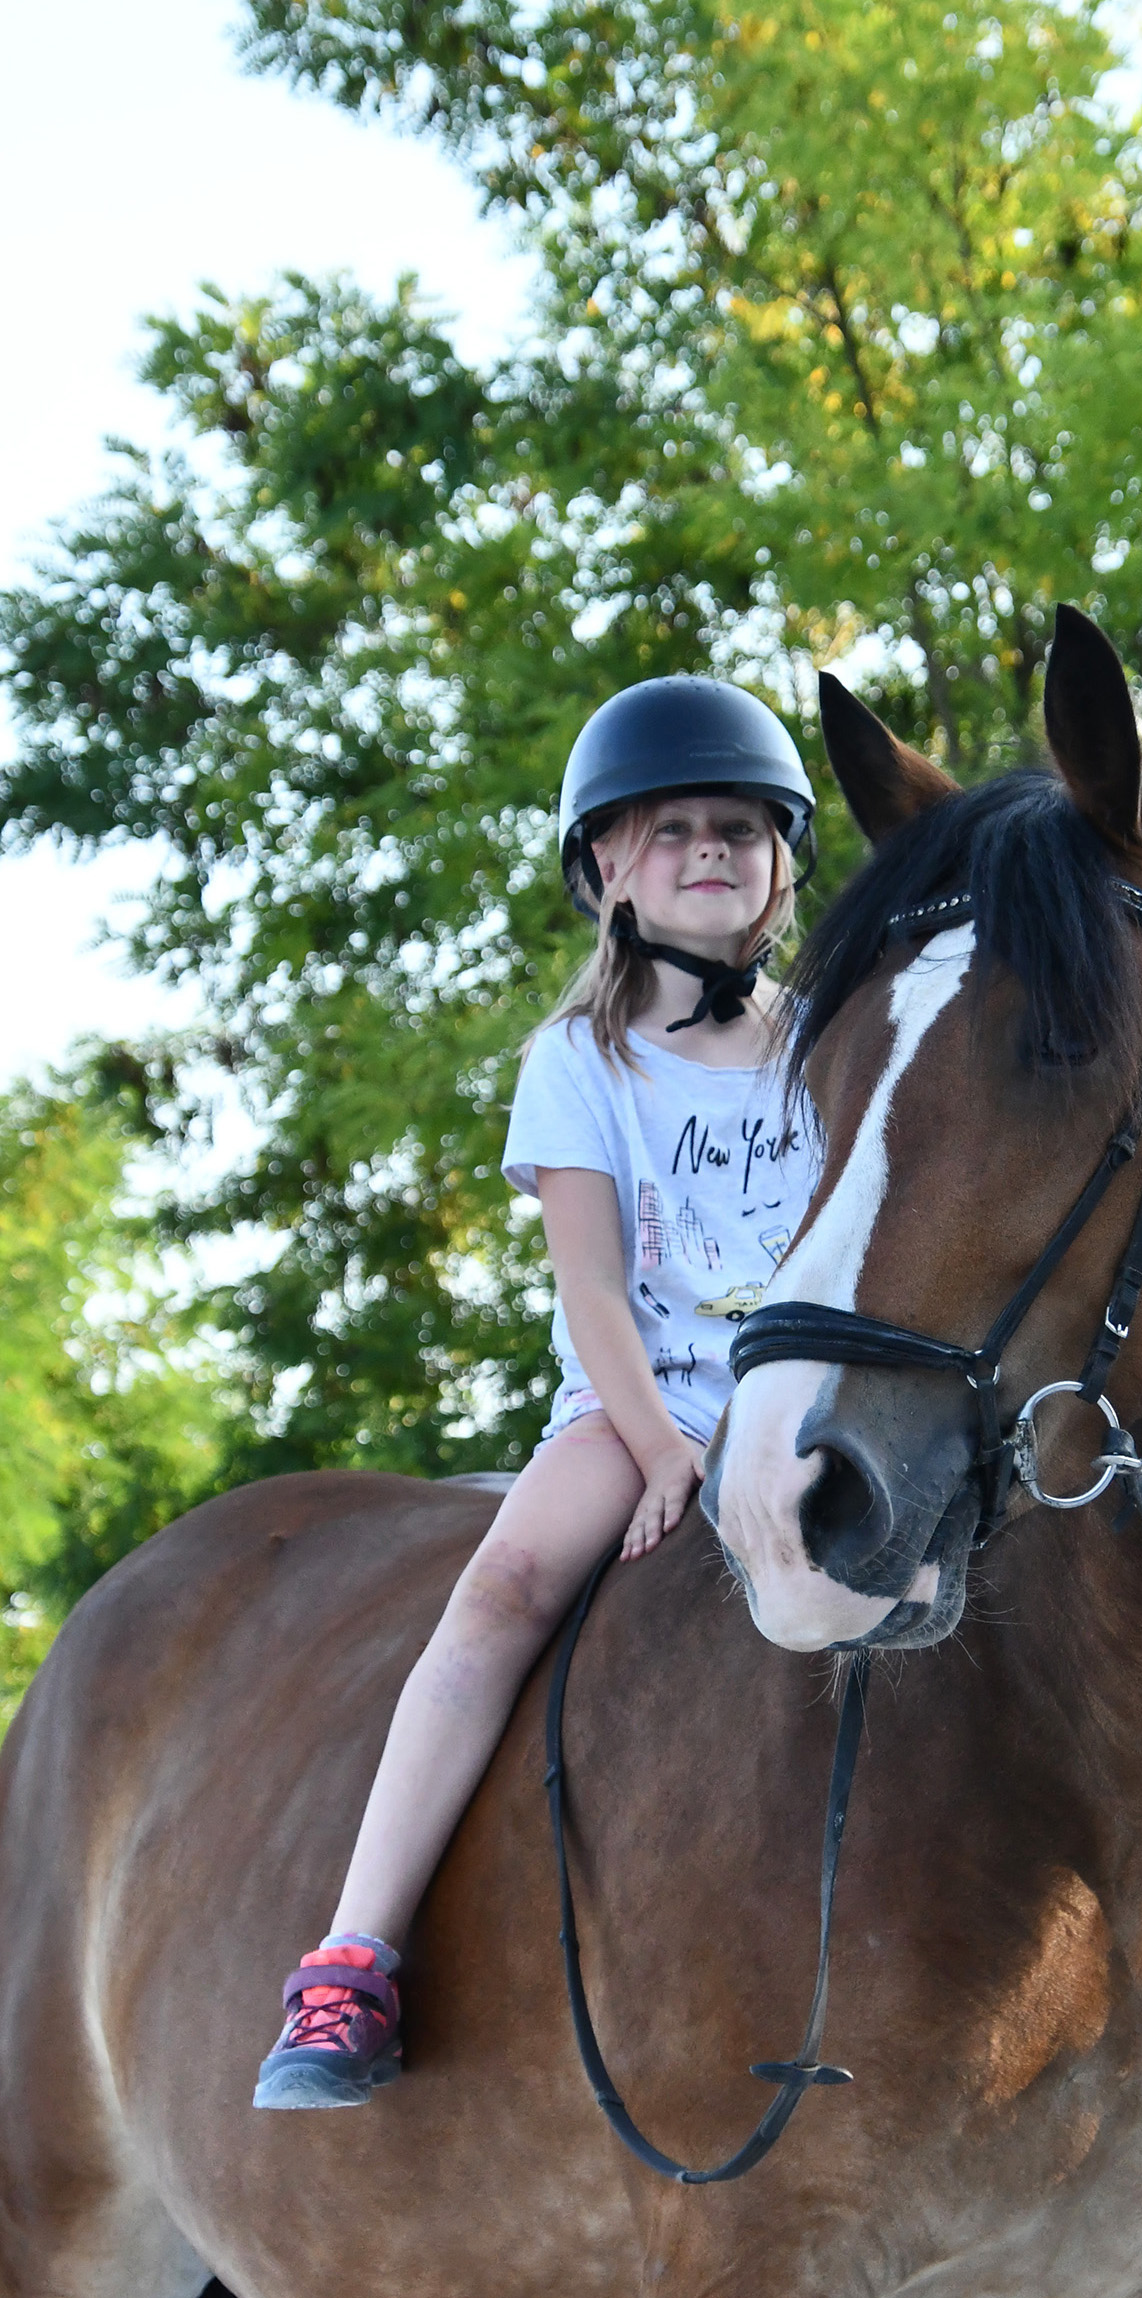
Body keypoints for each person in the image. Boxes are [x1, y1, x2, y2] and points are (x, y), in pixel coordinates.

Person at [253, 676, 818, 2108]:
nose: (710, 848)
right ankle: (353, 1955)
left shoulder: (837, 1043)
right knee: (501, 1591)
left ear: (783, 865)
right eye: (673, 827)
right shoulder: (581, 1062)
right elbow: (594, 1292)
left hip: (817, 1404)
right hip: (639, 1409)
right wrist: (667, 1454)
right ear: (606, 865)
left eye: (740, 827)